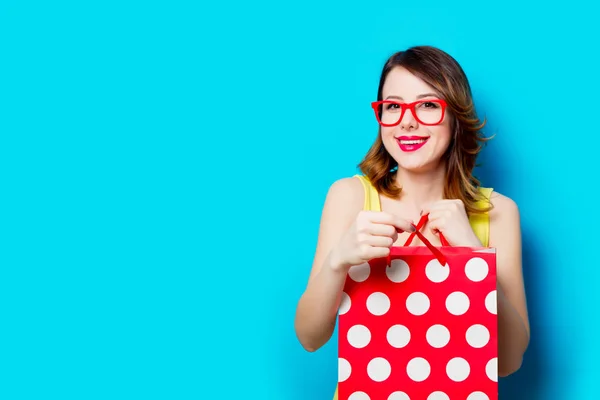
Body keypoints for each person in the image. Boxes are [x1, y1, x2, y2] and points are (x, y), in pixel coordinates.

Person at [293, 46, 530, 399]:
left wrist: (472, 257)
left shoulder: (498, 212)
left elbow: (508, 361)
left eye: (428, 105)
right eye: (393, 106)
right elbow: (310, 339)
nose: (407, 121)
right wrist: (337, 261)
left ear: (456, 116)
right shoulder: (350, 197)